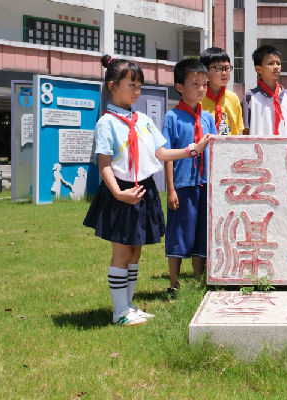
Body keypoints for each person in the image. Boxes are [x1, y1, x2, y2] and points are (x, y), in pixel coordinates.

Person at [83, 55, 211, 326]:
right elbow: (104, 163)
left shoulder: (141, 119)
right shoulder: (107, 122)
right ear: (112, 85)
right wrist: (119, 193)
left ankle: (129, 306)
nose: (136, 91)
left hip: (144, 190)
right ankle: (119, 311)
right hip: (122, 192)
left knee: (135, 252)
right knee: (121, 252)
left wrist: (192, 150)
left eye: (139, 85)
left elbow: (161, 152)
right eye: (131, 84)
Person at [162, 58, 218, 298]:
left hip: (205, 184)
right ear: (180, 87)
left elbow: (217, 148)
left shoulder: (207, 118)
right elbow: (167, 156)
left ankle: (197, 281)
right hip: (183, 185)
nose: (201, 89)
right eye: (195, 84)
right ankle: (173, 283)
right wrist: (171, 189)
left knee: (201, 233)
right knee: (178, 232)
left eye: (204, 84)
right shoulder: (172, 118)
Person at [242, 45, 287, 136]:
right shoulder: (250, 97)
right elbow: (245, 130)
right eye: (270, 63)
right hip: (258, 149)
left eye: (278, 63)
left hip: (286, 149)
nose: (276, 67)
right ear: (258, 69)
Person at [200, 47, 244, 136]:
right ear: (205, 71)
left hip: (229, 148)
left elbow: (238, 129)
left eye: (227, 68)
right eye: (219, 68)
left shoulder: (233, 98)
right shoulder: (198, 98)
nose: (224, 73)